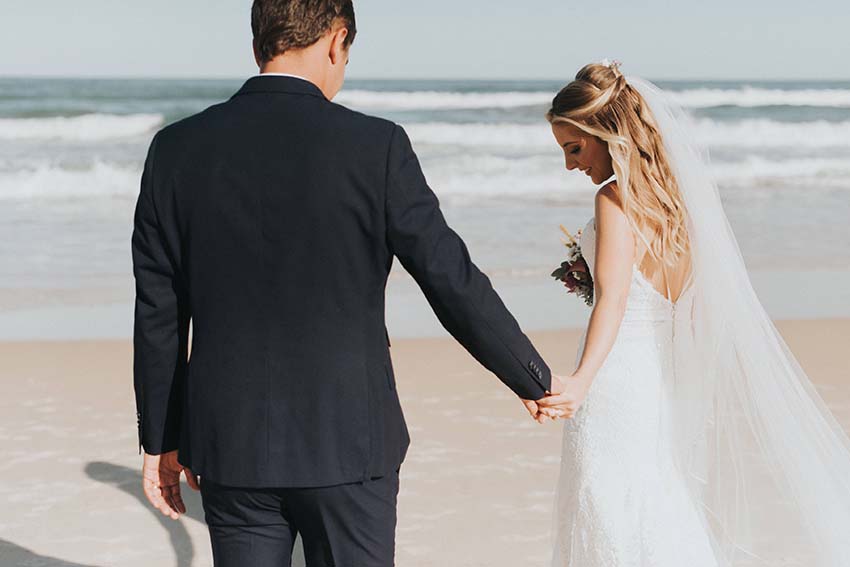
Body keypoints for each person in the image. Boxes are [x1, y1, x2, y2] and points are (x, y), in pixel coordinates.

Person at [131, 1, 563, 565]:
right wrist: (532, 376)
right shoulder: (376, 146)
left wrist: (159, 439)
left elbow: (159, 311)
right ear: (336, 41)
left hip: (230, 446)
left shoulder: (175, 150)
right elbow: (447, 276)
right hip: (349, 441)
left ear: (259, 41)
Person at [537, 61, 850, 566]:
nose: (571, 165)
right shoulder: (680, 207)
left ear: (607, 133)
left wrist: (580, 381)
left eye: (574, 148)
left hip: (615, 379)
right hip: (660, 379)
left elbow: (614, 301)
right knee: (658, 499)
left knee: (608, 504)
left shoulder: (613, 200)